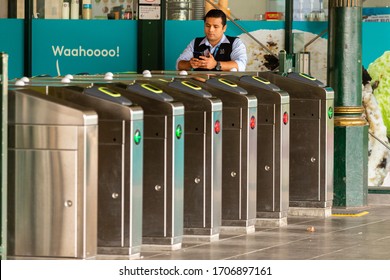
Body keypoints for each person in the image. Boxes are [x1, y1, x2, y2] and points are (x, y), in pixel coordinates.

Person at [176, 9, 247, 72]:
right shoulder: (196, 42)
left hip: (225, 84)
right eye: (208, 26)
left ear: (224, 28)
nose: (210, 30)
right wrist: (189, 64)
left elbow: (241, 65)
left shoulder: (235, 43)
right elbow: (179, 64)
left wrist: (216, 64)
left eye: (215, 26)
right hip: (199, 84)